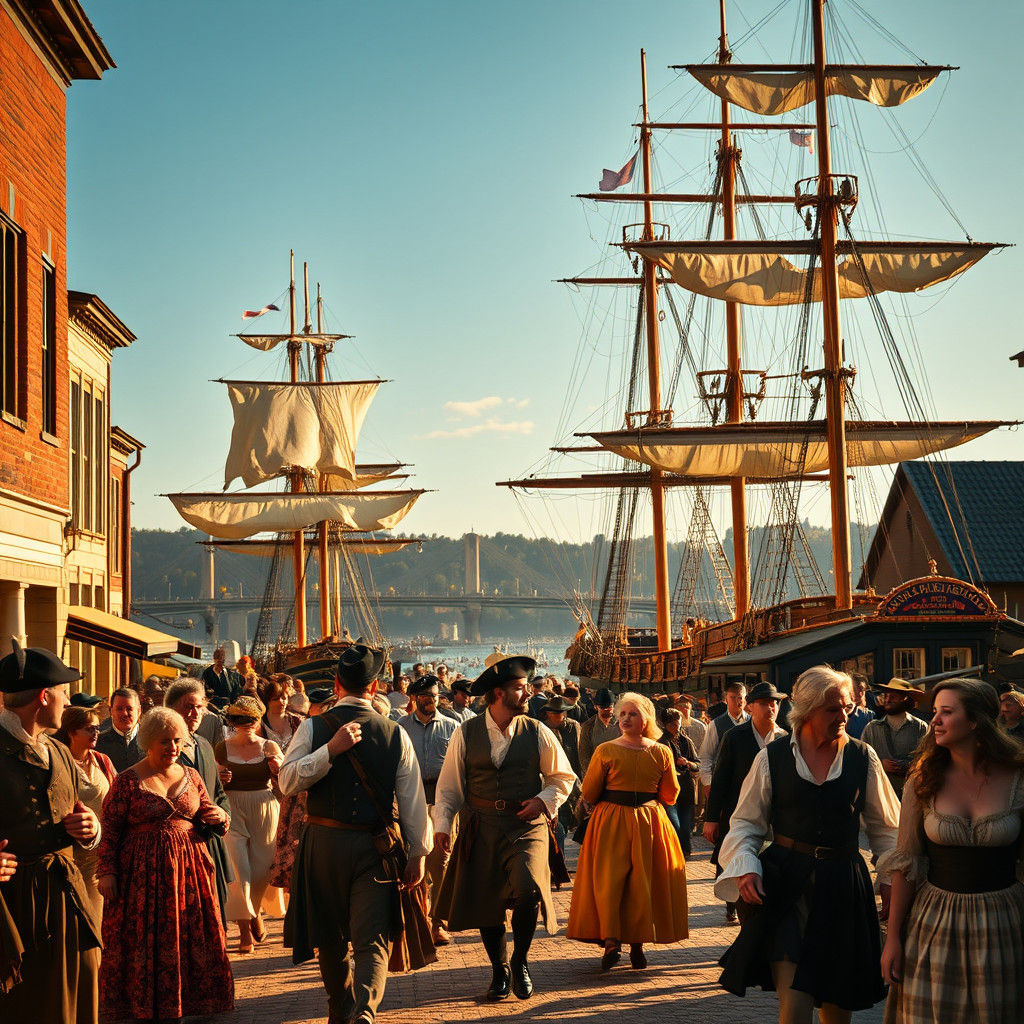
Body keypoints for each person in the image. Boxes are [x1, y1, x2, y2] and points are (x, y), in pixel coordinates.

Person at [716, 665, 900, 1023]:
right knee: (796, 1007)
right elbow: (745, 824)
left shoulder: (863, 757)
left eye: (846, 707)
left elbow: (888, 829)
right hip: (787, 887)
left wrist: (891, 877)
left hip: (843, 887)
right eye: (833, 709)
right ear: (807, 711)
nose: (843, 715)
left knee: (836, 1009)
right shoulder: (772, 757)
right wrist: (746, 867)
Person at [279, 644, 431, 1024]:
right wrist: (417, 854)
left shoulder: (313, 726)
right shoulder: (395, 733)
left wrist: (327, 751)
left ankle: (341, 1006)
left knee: (329, 937)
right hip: (374, 847)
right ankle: (364, 1011)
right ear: (375, 687)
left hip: (323, 846)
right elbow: (411, 801)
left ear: (336, 684)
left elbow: (287, 780)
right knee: (372, 935)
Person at [433, 654, 575, 1002]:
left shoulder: (537, 730)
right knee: (487, 900)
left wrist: (543, 801)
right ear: (498, 693)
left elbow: (563, 777)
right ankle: (499, 970)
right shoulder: (465, 733)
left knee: (528, 889)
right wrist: (441, 827)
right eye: (519, 689)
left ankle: (521, 960)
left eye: (526, 688)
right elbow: (449, 787)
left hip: (527, 825)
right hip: (479, 825)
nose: (528, 695)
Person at [880, 678, 1024, 1022]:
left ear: (975, 721)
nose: (935, 721)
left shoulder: (1018, 777)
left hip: (1003, 920)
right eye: (935, 712)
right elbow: (907, 862)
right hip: (934, 921)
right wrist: (893, 939)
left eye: (947, 712)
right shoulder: (923, 778)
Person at [97, 706, 234, 1021]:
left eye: (177, 741)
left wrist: (220, 817)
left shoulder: (192, 775)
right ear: (148, 741)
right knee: (145, 940)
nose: (173, 748)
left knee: (192, 935)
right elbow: (111, 830)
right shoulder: (127, 780)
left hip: (191, 871)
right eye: (165, 741)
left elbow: (208, 808)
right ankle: (145, 1007)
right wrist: (107, 871)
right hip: (141, 877)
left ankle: (192, 1005)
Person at [0, 641, 102, 1024]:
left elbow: (81, 814)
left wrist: (91, 830)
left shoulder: (58, 750)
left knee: (82, 991)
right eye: (63, 692)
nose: (66, 699)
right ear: (44, 696)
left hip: (68, 895)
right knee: (29, 1006)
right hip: (12, 907)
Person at [567, 692, 688, 971]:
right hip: (648, 819)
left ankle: (616, 941)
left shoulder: (608, 750)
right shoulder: (660, 751)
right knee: (641, 880)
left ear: (645, 719)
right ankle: (632, 946)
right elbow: (670, 795)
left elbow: (590, 790)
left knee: (612, 881)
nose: (625, 718)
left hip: (612, 820)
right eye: (622, 714)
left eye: (632, 714)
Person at [703, 682, 788, 923]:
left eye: (775, 703)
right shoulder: (735, 737)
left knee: (769, 868)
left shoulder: (785, 738)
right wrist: (711, 818)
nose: (771, 708)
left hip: (775, 818)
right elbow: (720, 779)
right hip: (737, 813)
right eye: (764, 703)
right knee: (737, 862)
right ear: (750, 707)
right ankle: (736, 906)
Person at [215, 695, 283, 953]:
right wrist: (221, 778)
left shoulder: (270, 747)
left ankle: (254, 913)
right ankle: (244, 930)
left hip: (265, 808)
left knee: (262, 870)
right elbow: (213, 784)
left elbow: (286, 780)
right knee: (238, 870)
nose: (246, 724)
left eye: (251, 719)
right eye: (240, 720)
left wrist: (277, 769)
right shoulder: (221, 748)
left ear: (257, 721)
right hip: (232, 808)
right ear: (232, 722)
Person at [165, 677, 234, 925]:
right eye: (188, 706)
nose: (194, 713)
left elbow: (219, 793)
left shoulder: (204, 745)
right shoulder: (160, 749)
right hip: (180, 850)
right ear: (171, 708)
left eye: (199, 707)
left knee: (216, 921)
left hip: (211, 845)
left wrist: (223, 814)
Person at [399, 674, 458, 947]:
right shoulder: (400, 728)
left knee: (441, 861)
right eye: (423, 697)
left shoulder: (453, 726)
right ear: (414, 698)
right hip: (413, 800)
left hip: (443, 800)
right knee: (416, 859)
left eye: (433, 696)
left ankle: (439, 923)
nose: (429, 701)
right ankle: (420, 919)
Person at [53, 706, 117, 917]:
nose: (96, 733)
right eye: (89, 729)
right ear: (71, 732)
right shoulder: (58, 763)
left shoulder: (101, 760)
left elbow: (118, 800)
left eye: (97, 728)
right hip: (70, 859)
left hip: (101, 860)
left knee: (99, 923)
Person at [863, 679, 929, 798]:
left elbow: (928, 759)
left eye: (893, 697)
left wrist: (910, 766)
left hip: (911, 795)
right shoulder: (871, 728)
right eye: (886, 696)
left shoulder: (920, 727)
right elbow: (861, 758)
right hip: (880, 795)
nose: (887, 700)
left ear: (906, 699)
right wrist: (880, 764)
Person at [541, 695, 583, 850]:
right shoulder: (541, 728)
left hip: (572, 783)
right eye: (557, 713)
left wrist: (581, 782)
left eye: (563, 712)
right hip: (551, 785)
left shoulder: (573, 727)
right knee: (558, 829)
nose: (561, 716)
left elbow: (579, 756)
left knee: (565, 826)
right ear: (548, 714)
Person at [657, 706, 700, 857]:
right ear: (665, 725)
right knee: (674, 824)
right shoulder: (661, 743)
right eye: (673, 725)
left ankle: (684, 852)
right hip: (669, 790)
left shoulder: (686, 741)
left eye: (679, 723)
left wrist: (688, 763)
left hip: (686, 788)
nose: (677, 727)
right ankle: (677, 852)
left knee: (687, 824)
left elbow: (697, 764)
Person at [698, 681, 749, 799]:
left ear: (745, 699)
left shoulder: (753, 722)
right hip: (724, 784)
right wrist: (708, 783)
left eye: (740, 698)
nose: (737, 701)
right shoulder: (716, 724)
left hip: (749, 783)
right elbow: (706, 756)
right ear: (726, 699)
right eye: (733, 698)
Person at [96, 686, 142, 772]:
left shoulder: (152, 742)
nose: (124, 713)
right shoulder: (98, 744)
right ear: (111, 711)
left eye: (129, 709)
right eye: (119, 709)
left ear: (139, 711)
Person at [579, 688, 620, 774]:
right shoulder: (588, 727)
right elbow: (584, 756)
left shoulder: (621, 725)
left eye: (609, 707)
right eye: (602, 707)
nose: (606, 710)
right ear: (596, 707)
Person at [258, 675, 302, 750]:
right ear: (268, 701)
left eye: (284, 698)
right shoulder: (259, 724)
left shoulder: (296, 721)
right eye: (276, 699)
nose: (281, 702)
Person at [846, 672, 874, 739]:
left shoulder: (871, 713)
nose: (859, 692)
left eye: (861, 688)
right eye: (854, 688)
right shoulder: (844, 711)